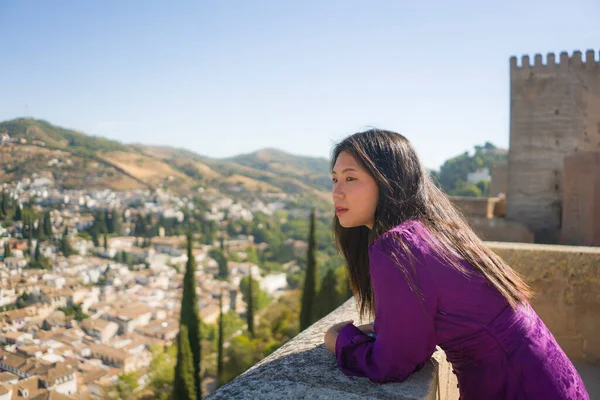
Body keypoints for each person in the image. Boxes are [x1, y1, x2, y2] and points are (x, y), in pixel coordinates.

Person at [323, 129, 589, 399]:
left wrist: (338, 339)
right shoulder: (432, 231)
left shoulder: (398, 246)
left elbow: (394, 362)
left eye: (350, 178)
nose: (336, 192)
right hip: (547, 380)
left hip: (518, 387)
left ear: (388, 181)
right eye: (334, 179)